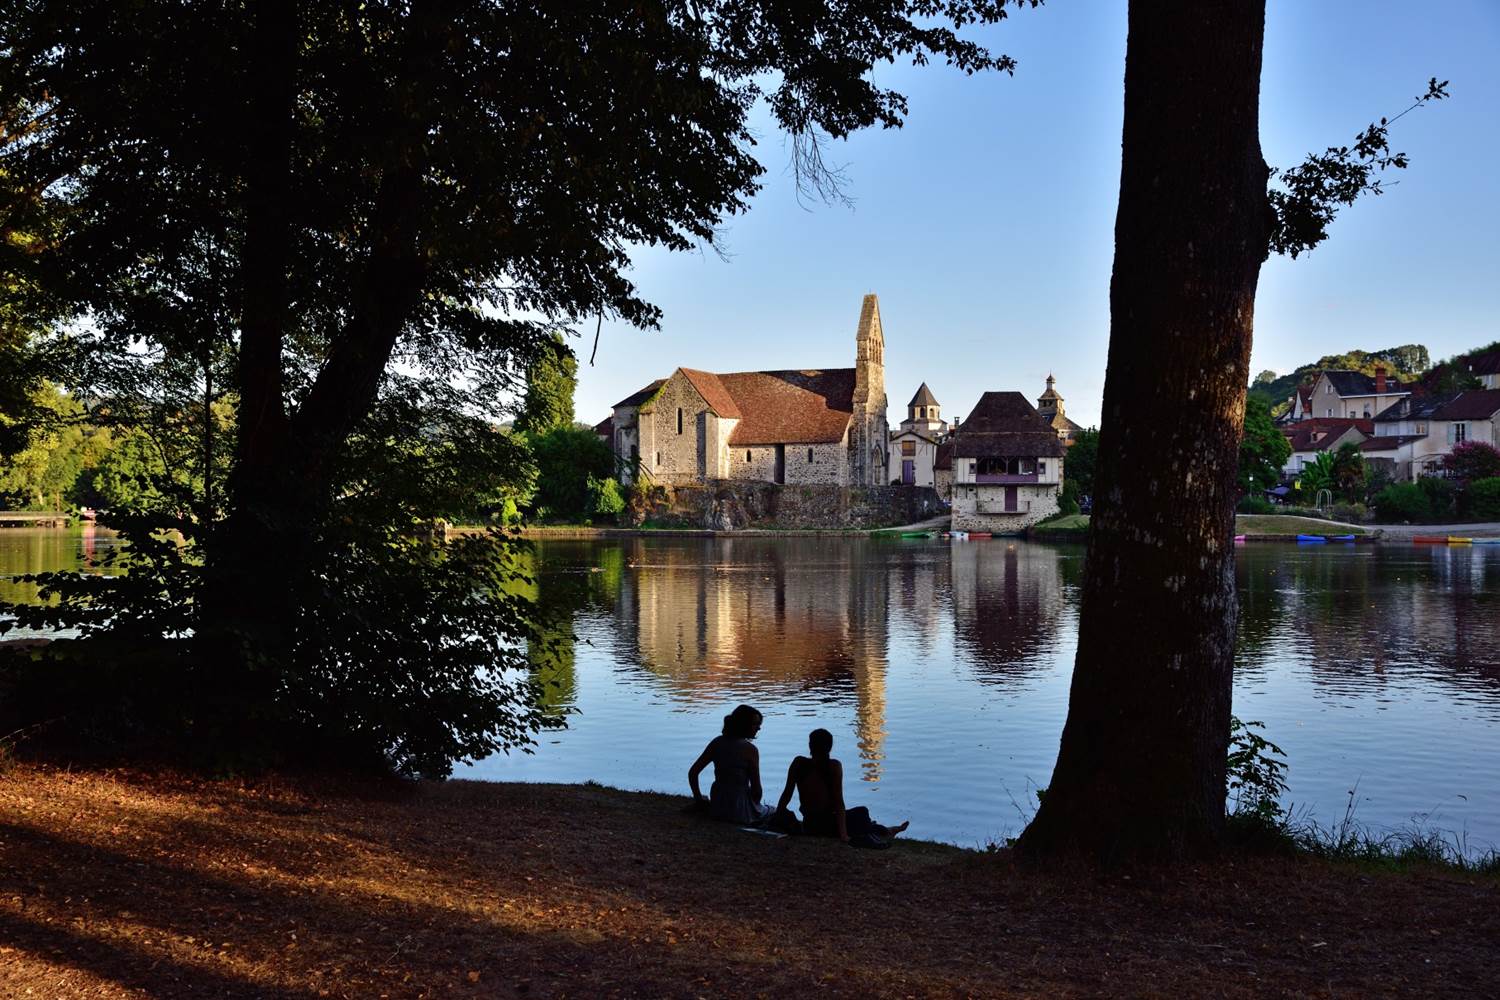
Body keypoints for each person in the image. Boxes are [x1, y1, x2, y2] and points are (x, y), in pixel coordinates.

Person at [775, 728, 909, 846]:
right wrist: (844, 835)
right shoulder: (833, 766)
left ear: (810, 745)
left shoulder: (798, 763)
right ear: (830, 748)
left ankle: (886, 830)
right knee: (862, 813)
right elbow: (839, 803)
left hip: (809, 823)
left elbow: (787, 794)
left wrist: (777, 815)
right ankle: (887, 831)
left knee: (859, 817)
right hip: (825, 824)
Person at [688, 704, 774, 825]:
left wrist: (698, 799)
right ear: (744, 725)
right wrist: (755, 804)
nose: (759, 728)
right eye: (756, 724)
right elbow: (757, 792)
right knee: (772, 811)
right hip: (739, 807)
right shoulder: (750, 750)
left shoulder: (717, 742)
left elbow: (693, 773)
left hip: (717, 805)